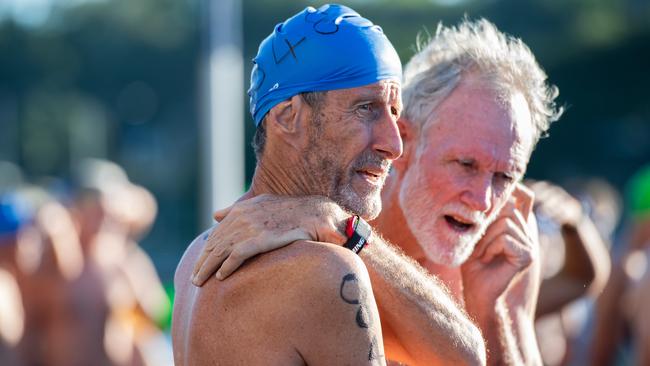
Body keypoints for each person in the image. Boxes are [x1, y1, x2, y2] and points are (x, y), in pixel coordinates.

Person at [192, 18, 564, 365]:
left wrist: (498, 314)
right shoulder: (324, 248)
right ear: (408, 138)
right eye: (465, 165)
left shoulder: (504, 241)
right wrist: (347, 231)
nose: (483, 200)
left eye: (505, 177)